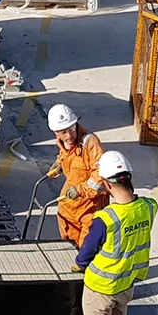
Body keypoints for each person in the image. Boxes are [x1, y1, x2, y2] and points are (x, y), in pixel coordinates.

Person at [73, 150, 156, 315]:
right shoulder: (148, 207)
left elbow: (87, 252)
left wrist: (79, 264)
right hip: (126, 283)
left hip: (100, 287)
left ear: (107, 185)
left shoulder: (106, 219)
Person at [43, 104, 107, 245]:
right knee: (68, 241)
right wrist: (60, 163)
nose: (70, 135)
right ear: (55, 132)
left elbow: (101, 175)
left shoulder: (89, 143)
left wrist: (80, 190)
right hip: (70, 203)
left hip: (90, 205)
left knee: (86, 247)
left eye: (71, 129)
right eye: (63, 132)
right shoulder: (64, 143)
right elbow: (67, 155)